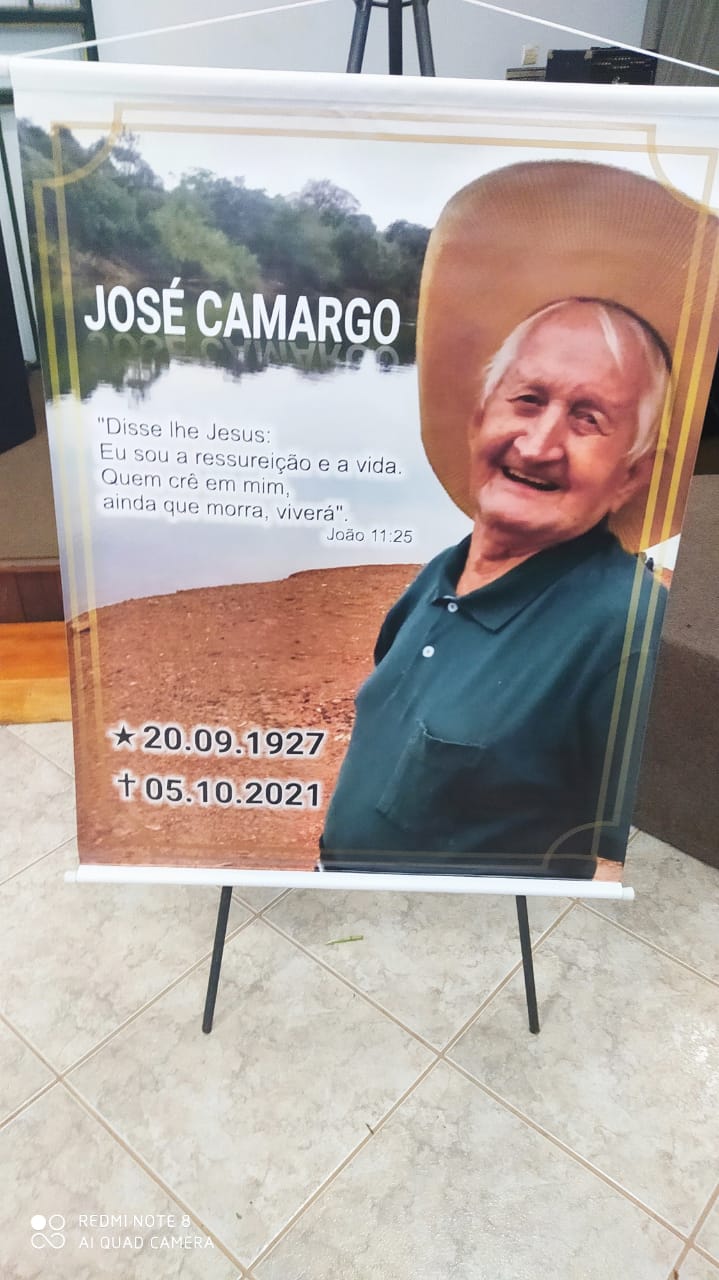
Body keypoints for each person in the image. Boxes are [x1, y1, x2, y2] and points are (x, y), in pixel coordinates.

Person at [320, 296, 670, 880]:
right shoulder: (443, 570)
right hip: (346, 902)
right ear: (480, 417)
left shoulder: (630, 628)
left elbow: (631, 864)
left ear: (630, 476)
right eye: (528, 399)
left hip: (442, 934)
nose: (537, 446)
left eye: (588, 419)